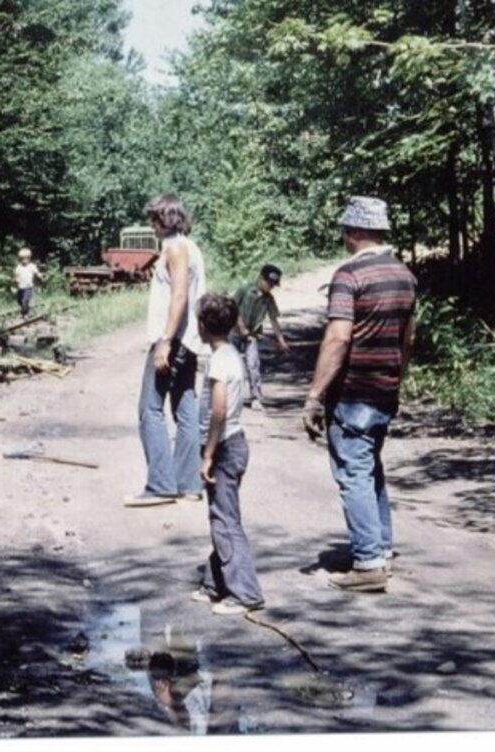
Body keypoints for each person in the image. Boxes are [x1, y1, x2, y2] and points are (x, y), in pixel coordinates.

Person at [302, 196, 416, 593]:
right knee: (370, 469)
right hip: (384, 390)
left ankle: (368, 563)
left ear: (353, 232)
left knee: (353, 471)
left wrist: (314, 396)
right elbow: (408, 338)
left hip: (352, 394)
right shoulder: (404, 274)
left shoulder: (349, 276)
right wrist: (395, 382)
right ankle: (380, 549)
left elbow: (337, 339)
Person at [125, 194, 206, 507]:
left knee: (150, 409)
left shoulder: (175, 249)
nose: (151, 224)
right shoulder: (190, 246)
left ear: (166, 219)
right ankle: (188, 483)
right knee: (186, 408)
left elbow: (180, 296)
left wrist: (165, 341)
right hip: (189, 340)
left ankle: (160, 483)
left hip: (173, 338)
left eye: (154, 219)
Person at [190, 293, 264, 615]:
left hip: (224, 447)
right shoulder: (231, 353)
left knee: (225, 519)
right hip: (232, 443)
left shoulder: (220, 361)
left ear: (203, 326)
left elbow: (219, 410)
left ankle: (245, 593)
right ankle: (215, 583)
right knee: (220, 514)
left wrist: (208, 453)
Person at [231, 264, 291, 410]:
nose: (270, 286)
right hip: (233, 332)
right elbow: (232, 308)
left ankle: (256, 396)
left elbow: (274, 320)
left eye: (273, 285)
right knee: (233, 366)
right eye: (268, 283)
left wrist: (281, 341)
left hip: (252, 335)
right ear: (260, 278)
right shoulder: (245, 289)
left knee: (253, 365)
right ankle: (230, 396)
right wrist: (242, 328)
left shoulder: (268, 299)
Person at [11, 247, 45, 317]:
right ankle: (25, 309)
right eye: (22, 259)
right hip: (20, 287)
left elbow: (37, 273)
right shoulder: (19, 267)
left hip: (28, 287)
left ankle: (25, 313)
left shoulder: (31, 266)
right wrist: (14, 281)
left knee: (25, 301)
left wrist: (40, 276)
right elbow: (15, 276)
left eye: (25, 258)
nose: (24, 260)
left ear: (29, 258)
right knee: (19, 300)